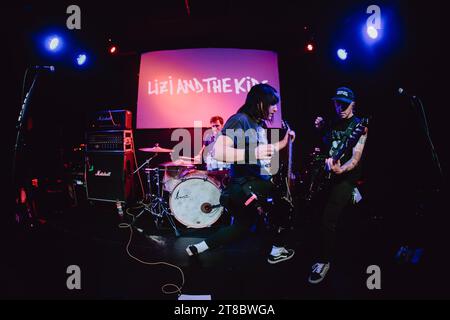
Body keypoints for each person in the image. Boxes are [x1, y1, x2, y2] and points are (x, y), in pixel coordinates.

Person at [186, 84, 296, 264]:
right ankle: (276, 250)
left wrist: (285, 140)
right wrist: (252, 153)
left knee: (240, 227)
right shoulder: (239, 120)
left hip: (250, 184)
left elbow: (266, 150)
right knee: (283, 204)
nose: (276, 108)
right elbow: (218, 152)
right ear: (260, 103)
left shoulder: (258, 124)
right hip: (244, 186)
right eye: (272, 104)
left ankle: (198, 247)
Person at [309, 87, 368, 284]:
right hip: (328, 177)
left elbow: (355, 157)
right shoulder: (333, 122)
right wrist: (321, 126)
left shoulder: (360, 126)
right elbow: (328, 141)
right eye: (338, 103)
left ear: (354, 104)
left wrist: (341, 170)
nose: (341, 107)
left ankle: (325, 261)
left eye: (346, 104)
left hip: (346, 177)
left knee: (328, 220)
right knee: (316, 213)